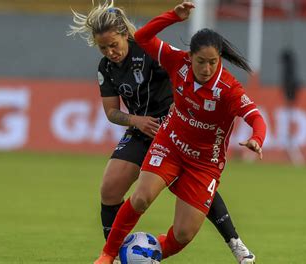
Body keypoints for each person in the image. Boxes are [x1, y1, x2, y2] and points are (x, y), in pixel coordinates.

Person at [67, 1, 257, 263]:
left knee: (193, 189)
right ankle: (117, 253)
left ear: (126, 35)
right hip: (142, 129)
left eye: (114, 44)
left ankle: (233, 239)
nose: (110, 52)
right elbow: (111, 112)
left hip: (172, 130)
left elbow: (186, 67)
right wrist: (136, 121)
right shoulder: (106, 68)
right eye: (103, 48)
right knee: (110, 188)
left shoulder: (149, 52)